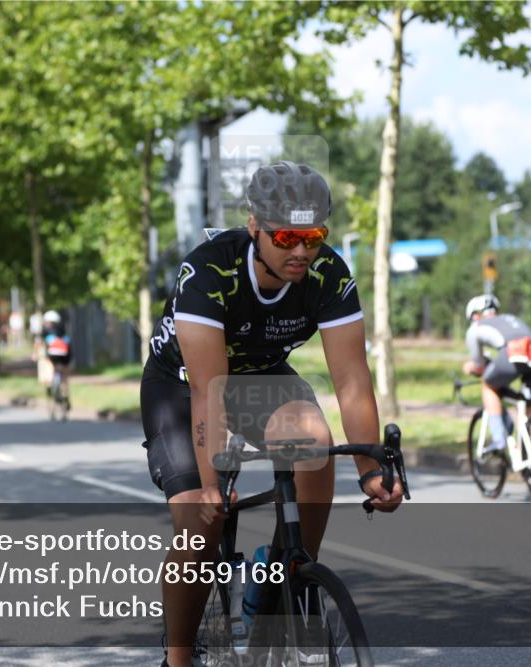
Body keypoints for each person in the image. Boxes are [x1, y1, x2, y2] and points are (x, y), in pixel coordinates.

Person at [140, 161, 403, 667]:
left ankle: (286, 571)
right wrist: (213, 480)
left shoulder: (328, 273)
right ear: (255, 226)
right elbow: (208, 390)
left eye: (314, 236)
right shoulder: (210, 269)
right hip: (184, 385)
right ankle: (177, 658)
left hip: (259, 374)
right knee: (200, 520)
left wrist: (371, 471)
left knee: (313, 440)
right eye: (286, 237)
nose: (302, 251)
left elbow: (350, 381)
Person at [462, 295, 531, 454]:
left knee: (488, 385)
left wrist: (470, 368)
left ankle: (498, 438)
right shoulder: (510, 319)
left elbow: (479, 367)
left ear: (475, 315)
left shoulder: (475, 328)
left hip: (514, 353)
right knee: (528, 409)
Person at [37, 310, 72, 409]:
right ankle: (66, 394)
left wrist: (35, 354)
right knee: (64, 374)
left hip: (52, 355)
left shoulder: (45, 330)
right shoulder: (63, 329)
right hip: (65, 354)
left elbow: (39, 342)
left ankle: (50, 387)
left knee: (49, 368)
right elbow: (68, 343)